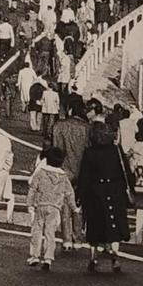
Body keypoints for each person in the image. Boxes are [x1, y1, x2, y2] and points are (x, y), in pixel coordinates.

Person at [76, 120, 134, 272]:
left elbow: (84, 176)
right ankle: (115, 256)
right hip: (115, 191)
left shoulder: (90, 152)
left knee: (95, 225)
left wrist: (79, 195)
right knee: (114, 224)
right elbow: (126, 172)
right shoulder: (116, 150)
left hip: (95, 192)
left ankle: (94, 257)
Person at [27, 147, 77, 271]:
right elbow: (69, 193)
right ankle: (48, 258)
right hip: (55, 207)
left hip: (41, 204)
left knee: (37, 230)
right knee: (50, 232)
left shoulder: (41, 173)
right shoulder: (64, 177)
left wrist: (29, 204)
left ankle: (35, 255)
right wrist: (74, 207)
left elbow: (32, 188)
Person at [53, 100, 90, 252]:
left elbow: (55, 150)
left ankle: (66, 239)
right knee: (78, 204)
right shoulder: (87, 128)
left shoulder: (59, 126)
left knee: (65, 205)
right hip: (82, 170)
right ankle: (78, 237)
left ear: (69, 110)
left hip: (64, 169)